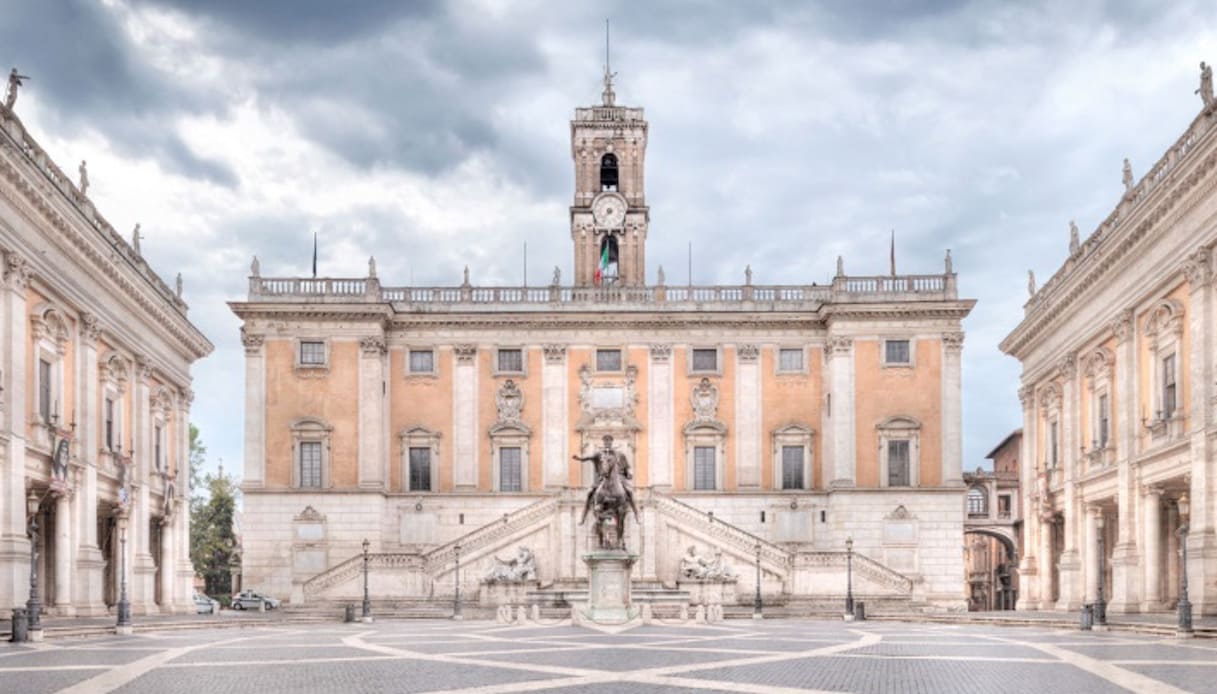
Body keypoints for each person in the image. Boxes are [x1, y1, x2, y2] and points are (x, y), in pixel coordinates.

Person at [573, 434, 639, 524]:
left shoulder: (620, 454)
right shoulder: (599, 454)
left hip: (619, 478)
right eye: (605, 441)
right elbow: (588, 457)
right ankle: (583, 518)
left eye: (609, 441)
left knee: (630, 492)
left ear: (612, 442)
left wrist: (629, 473)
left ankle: (637, 515)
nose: (607, 442)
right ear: (603, 442)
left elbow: (627, 467)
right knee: (589, 493)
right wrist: (579, 458)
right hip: (602, 478)